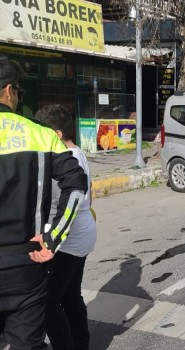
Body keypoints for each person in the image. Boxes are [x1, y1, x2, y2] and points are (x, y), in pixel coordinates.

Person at [0, 54, 88, 349]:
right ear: (10, 91)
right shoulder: (42, 135)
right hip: (26, 263)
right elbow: (76, 186)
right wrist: (54, 238)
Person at [34, 105, 96, 350]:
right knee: (71, 295)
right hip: (81, 233)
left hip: (69, 238)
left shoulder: (64, 160)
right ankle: (81, 344)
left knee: (48, 302)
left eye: (42, 132)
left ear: (56, 134)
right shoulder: (76, 153)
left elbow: (53, 202)